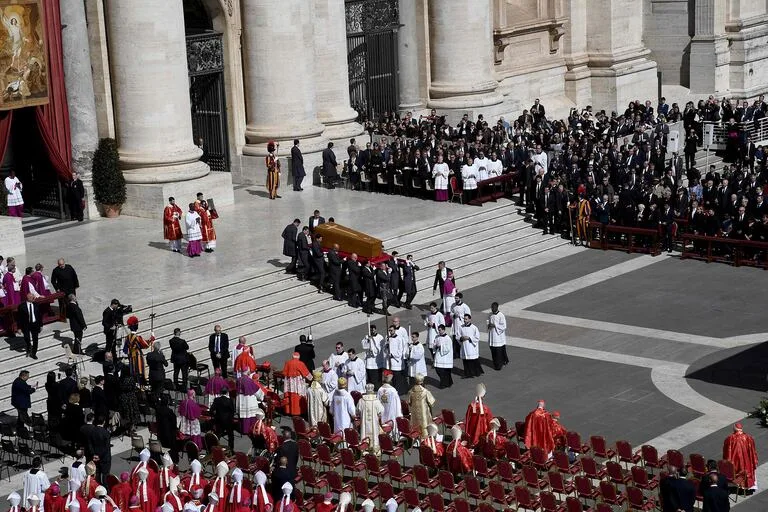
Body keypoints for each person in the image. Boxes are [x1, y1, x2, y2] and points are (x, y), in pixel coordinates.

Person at [722, 422, 758, 490]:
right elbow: (752, 451)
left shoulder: (729, 438)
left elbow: (726, 451)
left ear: (734, 429)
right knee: (746, 470)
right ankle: (746, 484)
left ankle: (736, 484)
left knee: (736, 470)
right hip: (747, 461)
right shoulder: (748, 437)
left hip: (735, 460)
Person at [356, 383, 384, 455]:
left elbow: (357, 411)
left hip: (364, 424)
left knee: (364, 434)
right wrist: (378, 416)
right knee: (375, 434)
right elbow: (381, 411)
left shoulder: (361, 401)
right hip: (374, 423)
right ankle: (375, 450)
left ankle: (364, 449)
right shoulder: (376, 401)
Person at [125, 316, 155, 383]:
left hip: (131, 357)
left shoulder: (127, 337)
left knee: (133, 372)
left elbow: (126, 348)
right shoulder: (137, 337)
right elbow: (145, 345)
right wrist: (152, 338)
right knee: (140, 373)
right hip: (138, 356)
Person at [209, 388, 235, 452]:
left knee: (217, 436)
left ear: (220, 393)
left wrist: (215, 416)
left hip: (219, 420)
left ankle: (215, 450)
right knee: (231, 436)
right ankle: (231, 449)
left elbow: (211, 410)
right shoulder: (230, 400)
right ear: (227, 393)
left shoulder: (217, 400)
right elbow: (233, 410)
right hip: (228, 421)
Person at [18, 293, 42, 358]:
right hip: (26, 325)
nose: (34, 298)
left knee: (35, 339)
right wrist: (19, 328)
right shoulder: (21, 306)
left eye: (34, 297)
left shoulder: (36, 305)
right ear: (28, 298)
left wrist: (41, 325)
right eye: (32, 297)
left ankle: (34, 353)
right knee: (27, 338)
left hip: (35, 324)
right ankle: (28, 347)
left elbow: (39, 316)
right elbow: (19, 318)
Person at [457, 313, 481, 378]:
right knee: (465, 361)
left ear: (470, 319)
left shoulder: (474, 327)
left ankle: (476, 372)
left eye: (466, 319)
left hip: (471, 347)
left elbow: (477, 337)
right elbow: (457, 336)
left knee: (472, 361)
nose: (465, 320)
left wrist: (469, 338)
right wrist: (461, 338)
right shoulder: (461, 327)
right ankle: (467, 373)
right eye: (464, 319)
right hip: (464, 347)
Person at [487, 302, 508, 370]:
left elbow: (504, 326)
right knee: (493, 351)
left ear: (497, 307)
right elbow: (488, 322)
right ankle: (495, 363)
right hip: (492, 335)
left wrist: (495, 325)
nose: (492, 309)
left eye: (494, 307)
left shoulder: (501, 315)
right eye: (492, 307)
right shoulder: (490, 314)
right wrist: (488, 325)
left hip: (498, 337)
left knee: (498, 352)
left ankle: (499, 365)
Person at [433, 324, 453, 388]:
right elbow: (434, 344)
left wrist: (441, 346)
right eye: (438, 330)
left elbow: (448, 348)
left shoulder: (448, 338)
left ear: (444, 330)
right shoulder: (437, 337)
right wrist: (435, 346)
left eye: (440, 330)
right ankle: (448, 382)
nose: (439, 331)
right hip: (438, 356)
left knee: (444, 371)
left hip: (445, 357)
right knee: (438, 369)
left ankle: (444, 384)